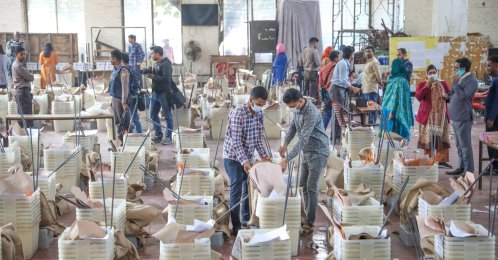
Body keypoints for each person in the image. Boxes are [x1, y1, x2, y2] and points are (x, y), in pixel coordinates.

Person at [279, 88, 329, 235]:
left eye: (293, 106)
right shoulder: (298, 110)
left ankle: (310, 222)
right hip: (307, 152)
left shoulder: (311, 113)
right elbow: (293, 127)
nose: (291, 109)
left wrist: (287, 159)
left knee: (311, 187)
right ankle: (306, 214)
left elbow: (303, 140)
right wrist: (285, 144)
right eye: (289, 107)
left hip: (318, 152)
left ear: (300, 101)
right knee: (302, 185)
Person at [223, 86, 271, 236]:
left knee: (248, 189)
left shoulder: (259, 114)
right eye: (259, 104)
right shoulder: (238, 114)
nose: (261, 107)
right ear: (251, 100)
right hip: (232, 157)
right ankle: (236, 225)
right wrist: (245, 162)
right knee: (236, 189)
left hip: (247, 158)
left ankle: (246, 219)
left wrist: (265, 156)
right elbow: (236, 141)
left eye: (263, 105)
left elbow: (257, 139)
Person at [415, 65, 452, 168]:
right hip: (428, 116)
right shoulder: (423, 84)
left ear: (437, 72)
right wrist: (428, 84)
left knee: (442, 138)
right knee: (429, 139)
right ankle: (429, 160)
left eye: (434, 72)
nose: (432, 74)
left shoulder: (443, 83)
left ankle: (442, 160)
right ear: (427, 74)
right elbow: (419, 97)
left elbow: (450, 95)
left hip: (441, 116)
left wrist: (448, 97)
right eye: (430, 72)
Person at [446, 57, 478, 175]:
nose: (454, 70)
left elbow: (465, 96)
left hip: (463, 116)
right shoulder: (460, 78)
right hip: (456, 115)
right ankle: (461, 167)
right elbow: (456, 94)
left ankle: (468, 170)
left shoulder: (472, 80)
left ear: (463, 69)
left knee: (465, 145)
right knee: (459, 145)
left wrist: (454, 84)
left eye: (456, 68)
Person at [330, 46, 361, 145]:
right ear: (351, 54)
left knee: (339, 113)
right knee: (338, 114)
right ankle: (335, 138)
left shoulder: (345, 63)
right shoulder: (343, 63)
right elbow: (342, 80)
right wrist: (353, 88)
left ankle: (336, 137)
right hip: (337, 90)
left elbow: (344, 80)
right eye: (353, 54)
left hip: (339, 90)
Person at [380, 58, 414, 141]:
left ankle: (393, 152)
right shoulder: (403, 79)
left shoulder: (399, 81)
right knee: (392, 137)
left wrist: (392, 111)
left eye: (393, 66)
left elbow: (396, 97)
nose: (392, 68)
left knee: (392, 137)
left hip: (393, 112)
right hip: (396, 110)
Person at [148, 46, 174, 145]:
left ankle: (168, 137)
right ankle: (159, 135)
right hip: (155, 93)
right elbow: (157, 76)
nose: (152, 55)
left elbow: (166, 79)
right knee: (153, 114)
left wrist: (154, 77)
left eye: (153, 53)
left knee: (167, 116)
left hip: (164, 93)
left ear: (158, 54)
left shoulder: (166, 64)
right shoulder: (156, 64)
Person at [109, 50, 130, 141]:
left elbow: (125, 87)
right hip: (114, 99)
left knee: (123, 121)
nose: (110, 60)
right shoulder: (115, 70)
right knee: (117, 121)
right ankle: (121, 139)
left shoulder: (123, 70)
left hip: (120, 100)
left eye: (111, 58)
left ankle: (126, 140)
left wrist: (124, 102)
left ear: (116, 59)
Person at [11, 46, 34, 127]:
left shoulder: (17, 64)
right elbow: (30, 77)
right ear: (16, 55)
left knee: (23, 113)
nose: (24, 56)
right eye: (21, 54)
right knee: (26, 114)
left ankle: (24, 131)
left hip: (21, 91)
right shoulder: (18, 66)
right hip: (23, 91)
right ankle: (27, 132)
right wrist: (31, 75)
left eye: (24, 54)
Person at [122, 53, 142, 133]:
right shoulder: (123, 70)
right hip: (126, 97)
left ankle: (139, 135)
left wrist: (128, 90)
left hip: (131, 98)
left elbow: (136, 84)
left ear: (122, 61)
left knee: (134, 118)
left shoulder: (130, 70)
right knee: (127, 118)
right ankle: (130, 135)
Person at [361, 46, 382, 124]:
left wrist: (379, 82)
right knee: (368, 108)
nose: (368, 53)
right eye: (366, 51)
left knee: (372, 108)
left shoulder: (375, 62)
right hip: (366, 89)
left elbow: (378, 75)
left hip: (371, 88)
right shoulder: (368, 61)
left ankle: (372, 124)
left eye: (369, 51)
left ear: (373, 52)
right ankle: (370, 124)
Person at [484, 55, 498, 175]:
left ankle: (494, 168)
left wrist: (492, 118)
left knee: (492, 143)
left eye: (489, 65)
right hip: (492, 116)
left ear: (496, 65)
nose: (487, 68)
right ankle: (494, 167)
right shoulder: (495, 78)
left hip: (494, 118)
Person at [320, 50, 340, 131]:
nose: (339, 59)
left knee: (327, 113)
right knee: (335, 114)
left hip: (325, 92)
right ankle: (333, 136)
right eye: (339, 57)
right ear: (335, 58)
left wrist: (321, 94)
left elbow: (320, 83)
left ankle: (321, 131)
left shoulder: (323, 68)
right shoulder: (337, 67)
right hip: (334, 92)